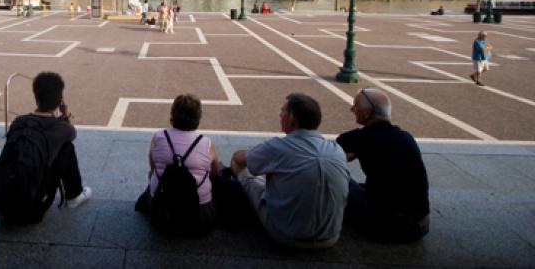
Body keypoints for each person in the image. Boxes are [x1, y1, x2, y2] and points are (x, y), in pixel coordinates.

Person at [229, 93, 349, 249]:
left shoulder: (277, 147)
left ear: (292, 118)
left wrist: (249, 153)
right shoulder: (336, 150)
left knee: (243, 170)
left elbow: (240, 159)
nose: (280, 115)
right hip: (331, 236)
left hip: (285, 235)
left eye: (283, 111)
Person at [0, 72, 91, 225]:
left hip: (1, 201)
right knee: (67, 147)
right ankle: (74, 195)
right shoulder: (61, 128)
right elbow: (73, 133)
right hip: (33, 207)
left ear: (36, 98)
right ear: (60, 100)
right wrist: (66, 114)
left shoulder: (19, 122)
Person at [336, 89, 430, 242]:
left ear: (367, 113)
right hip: (421, 226)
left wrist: (356, 152)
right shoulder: (405, 137)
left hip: (387, 226)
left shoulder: (362, 138)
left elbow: (332, 154)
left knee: (341, 179)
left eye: (355, 106)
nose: (352, 109)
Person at [136, 94, 218, 235]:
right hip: (200, 216)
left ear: (173, 114)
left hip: (162, 212)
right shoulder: (206, 142)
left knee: (154, 175)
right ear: (198, 117)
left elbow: (153, 168)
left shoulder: (159, 137)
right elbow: (214, 174)